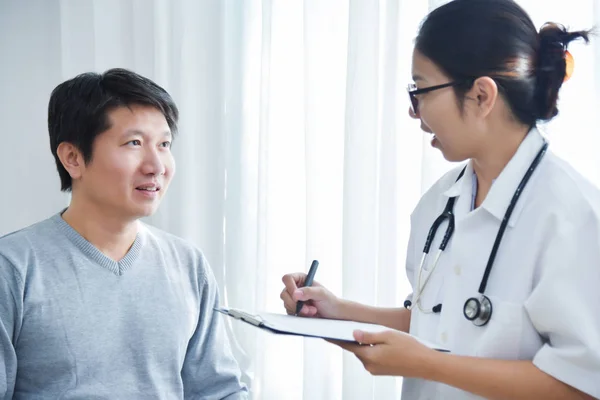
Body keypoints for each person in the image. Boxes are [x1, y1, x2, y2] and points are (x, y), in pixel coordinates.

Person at [280, 0, 600, 399]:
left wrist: (427, 365)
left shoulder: (573, 217)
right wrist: (337, 310)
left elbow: (582, 385)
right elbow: (440, 323)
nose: (415, 112)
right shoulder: (438, 204)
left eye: (422, 90)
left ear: (482, 96)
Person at [0, 68, 248, 399]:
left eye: (164, 144)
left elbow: (219, 391)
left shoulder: (189, 265)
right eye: (134, 143)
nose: (156, 165)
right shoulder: (13, 267)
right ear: (73, 158)